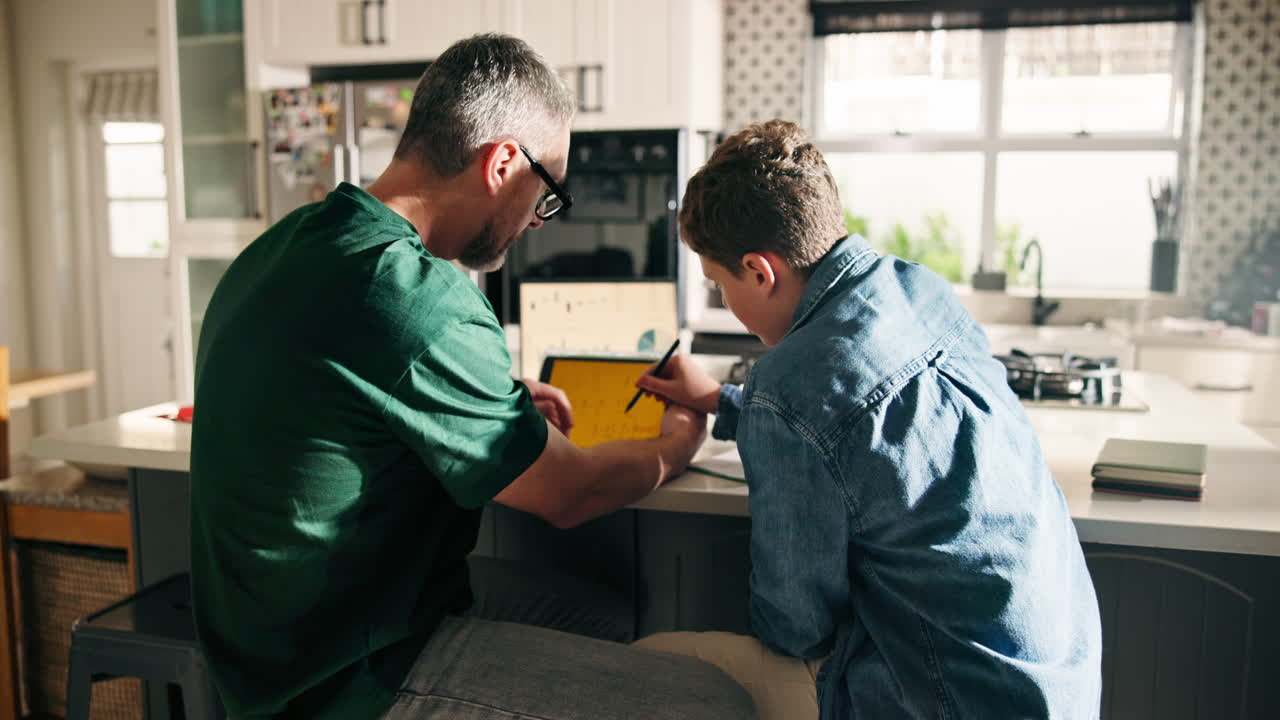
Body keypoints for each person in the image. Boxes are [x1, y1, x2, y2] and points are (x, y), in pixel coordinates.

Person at [189, 34, 755, 720]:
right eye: (547, 194)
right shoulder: (417, 295)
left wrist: (500, 402)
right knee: (711, 703)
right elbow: (569, 494)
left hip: (264, 646)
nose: (538, 221)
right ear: (504, 164)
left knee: (599, 612)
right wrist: (678, 442)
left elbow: (354, 402)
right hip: (349, 673)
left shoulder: (287, 244)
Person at [632, 120, 1103, 719]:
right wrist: (725, 403)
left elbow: (796, 625)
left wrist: (751, 411)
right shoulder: (919, 290)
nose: (726, 300)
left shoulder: (788, 387)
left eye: (720, 285)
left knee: (654, 657)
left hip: (946, 703)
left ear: (759, 271)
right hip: (1057, 687)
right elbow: (864, 429)